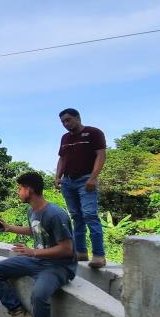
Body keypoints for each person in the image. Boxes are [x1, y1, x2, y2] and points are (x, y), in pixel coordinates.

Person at [0, 172, 77, 317]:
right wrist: (10, 228)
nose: (18, 192)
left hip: (58, 266)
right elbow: (35, 230)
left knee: (39, 294)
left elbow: (67, 249)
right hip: (37, 260)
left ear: (30, 189)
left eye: (20, 188)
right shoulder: (32, 211)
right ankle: (19, 316)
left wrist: (33, 251)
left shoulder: (56, 214)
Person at [55, 108, 107, 268]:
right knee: (76, 216)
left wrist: (93, 177)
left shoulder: (93, 133)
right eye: (63, 121)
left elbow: (101, 155)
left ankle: (99, 255)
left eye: (68, 120)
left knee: (90, 215)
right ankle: (81, 252)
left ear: (77, 118)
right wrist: (58, 177)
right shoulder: (65, 138)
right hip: (68, 181)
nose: (66, 124)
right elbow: (62, 159)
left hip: (85, 179)